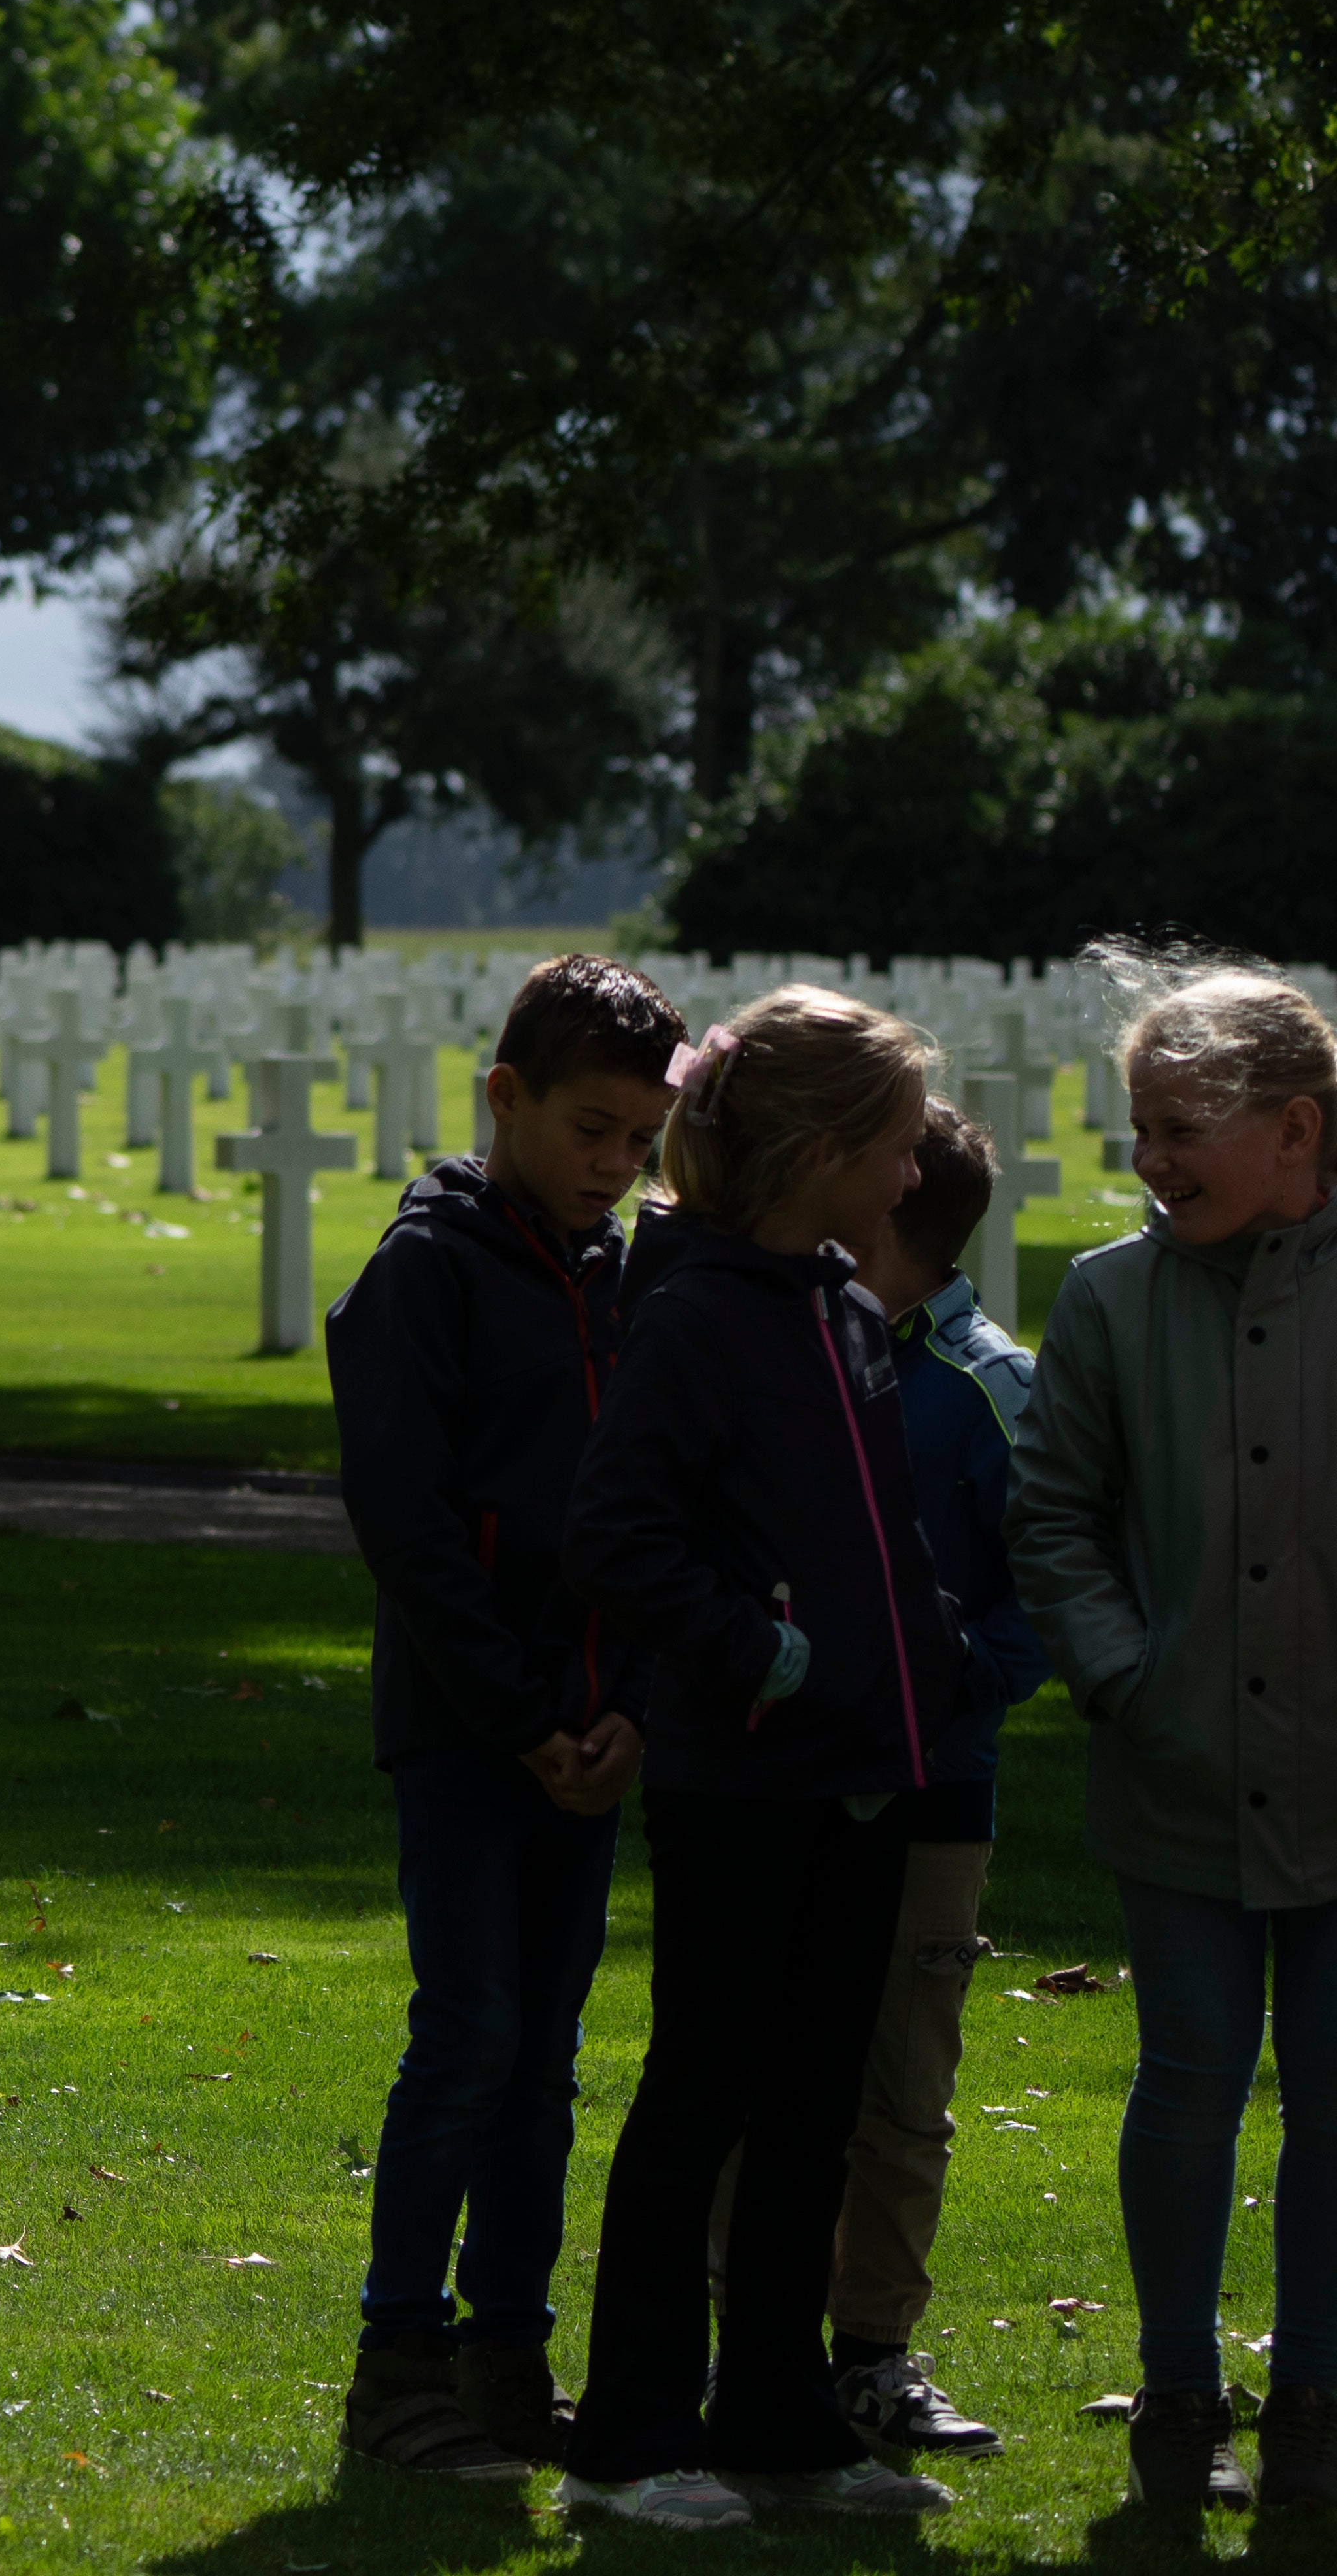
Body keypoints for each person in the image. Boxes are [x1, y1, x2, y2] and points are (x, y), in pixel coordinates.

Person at [554, 982, 970, 2530]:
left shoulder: (843, 1302)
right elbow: (620, 1535)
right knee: (707, 2093)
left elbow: (876, 1532)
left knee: (815, 2101)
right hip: (743, 1775)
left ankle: (778, 2415)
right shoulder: (693, 1314)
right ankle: (630, 2437)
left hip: (861, 1771)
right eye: (899, 1146)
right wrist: (763, 1652)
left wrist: (930, 1659)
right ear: (815, 1149)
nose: (914, 1177)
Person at [324, 952, 680, 2486]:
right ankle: (397, 2359)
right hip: (474, 1730)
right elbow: (408, 1525)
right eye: (590, 1131)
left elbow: (668, 1507)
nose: (615, 1168)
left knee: (545, 2053)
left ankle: (507, 2355)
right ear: (506, 1099)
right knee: (466, 2032)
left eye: (641, 1143)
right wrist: (529, 1716)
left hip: (598, 1734)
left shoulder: (636, 1274)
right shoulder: (429, 1273)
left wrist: (633, 1713)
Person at [1005, 954, 1337, 2518]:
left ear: (1298, 1130)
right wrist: (1128, 1677)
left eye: (1185, 1125)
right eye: (1140, 1128)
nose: (1152, 1161)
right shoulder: (1110, 1297)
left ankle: (1321, 2398)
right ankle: (1178, 2389)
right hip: (1180, 1765)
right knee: (1190, 2079)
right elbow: (1053, 1512)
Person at [816, 1101, 1040, 2459]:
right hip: (787, 1781)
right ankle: (751, 2339)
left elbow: (1046, 1594)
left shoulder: (986, 1386)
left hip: (930, 1790)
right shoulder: (797, 1342)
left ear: (892, 1209)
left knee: (902, 2086)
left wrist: (936, 1680)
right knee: (775, 2065)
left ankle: (874, 2348)